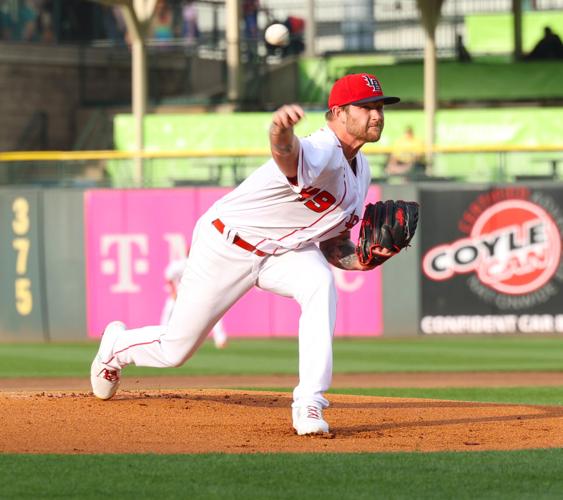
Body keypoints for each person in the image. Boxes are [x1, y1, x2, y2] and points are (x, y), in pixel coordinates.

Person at [91, 73, 401, 436]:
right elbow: (288, 155)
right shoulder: (323, 149)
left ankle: (309, 404)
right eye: (366, 107)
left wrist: (363, 259)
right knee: (175, 350)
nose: (376, 115)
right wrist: (278, 131)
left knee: (319, 281)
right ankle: (116, 347)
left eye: (379, 107)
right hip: (227, 244)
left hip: (281, 253)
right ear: (338, 112)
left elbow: (334, 245)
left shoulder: (360, 171)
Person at [161, 253, 228, 349]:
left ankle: (220, 339)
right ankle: (161, 338)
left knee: (212, 311)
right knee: (168, 311)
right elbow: (168, 276)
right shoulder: (180, 264)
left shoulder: (202, 264)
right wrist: (173, 291)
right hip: (179, 295)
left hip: (194, 296)